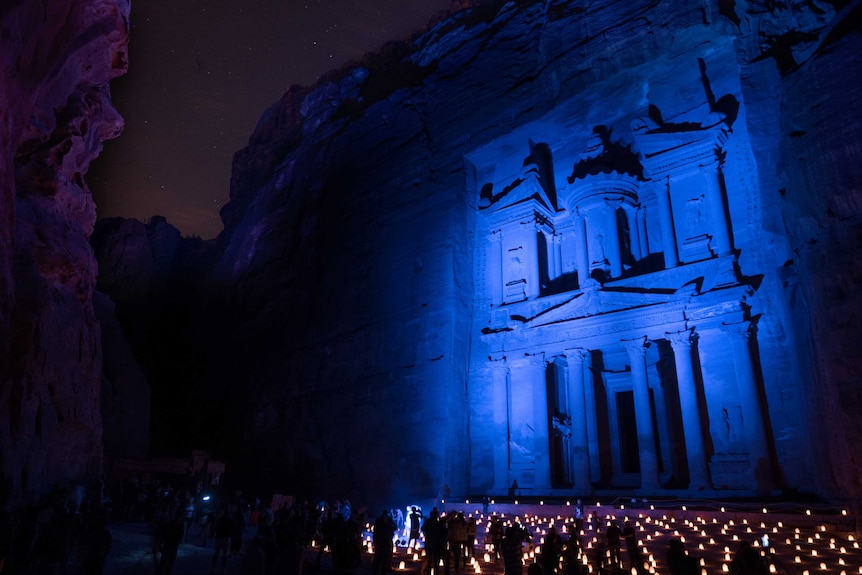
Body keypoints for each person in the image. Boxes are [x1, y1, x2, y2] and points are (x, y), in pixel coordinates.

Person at [157, 511, 184, 575]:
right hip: (172, 546)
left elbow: (163, 535)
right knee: (168, 564)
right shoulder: (179, 525)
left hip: (168, 545)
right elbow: (180, 536)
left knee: (163, 562)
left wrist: (160, 544)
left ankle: (161, 572)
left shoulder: (169, 524)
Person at [372, 510, 397, 575]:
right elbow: (376, 530)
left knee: (386, 556)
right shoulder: (379, 520)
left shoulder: (389, 520)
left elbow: (395, 527)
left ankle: (385, 568)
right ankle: (376, 570)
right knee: (379, 556)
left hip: (387, 540)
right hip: (381, 540)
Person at [211, 507, 233, 574]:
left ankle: (214, 569)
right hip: (225, 537)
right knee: (224, 554)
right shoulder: (229, 518)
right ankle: (222, 569)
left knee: (217, 553)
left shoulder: (219, 518)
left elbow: (215, 528)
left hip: (220, 537)